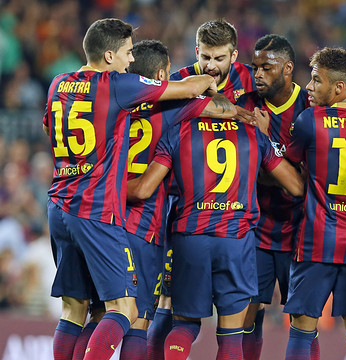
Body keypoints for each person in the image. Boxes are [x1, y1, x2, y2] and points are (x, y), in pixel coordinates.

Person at [44, 18, 216, 360]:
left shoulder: (58, 83)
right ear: (108, 56)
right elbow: (186, 89)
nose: (130, 60)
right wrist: (209, 77)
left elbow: (50, 127)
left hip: (58, 205)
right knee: (126, 310)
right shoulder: (118, 85)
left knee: (75, 309)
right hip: (95, 209)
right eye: (126, 52)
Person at [126, 105, 305, 360]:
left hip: (190, 238)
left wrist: (103, 186)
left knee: (184, 326)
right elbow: (296, 187)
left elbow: (144, 188)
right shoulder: (252, 134)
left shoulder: (178, 131)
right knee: (231, 336)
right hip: (236, 239)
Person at [123, 39, 236, 360]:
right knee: (144, 315)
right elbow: (228, 111)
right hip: (151, 222)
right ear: (161, 74)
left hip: (105, 216)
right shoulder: (173, 107)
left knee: (96, 313)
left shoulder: (115, 99)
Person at [283, 47, 346, 360]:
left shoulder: (309, 121)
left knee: (301, 330)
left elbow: (288, 168)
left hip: (317, 240)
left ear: (339, 88)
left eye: (316, 80)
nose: (309, 87)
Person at [235, 34, 310, 360]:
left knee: (303, 321)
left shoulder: (309, 107)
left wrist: (264, 150)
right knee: (247, 313)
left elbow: (304, 183)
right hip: (257, 230)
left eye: (267, 67)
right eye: (255, 67)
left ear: (288, 68)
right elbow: (245, 170)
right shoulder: (246, 105)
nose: (259, 74)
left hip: (300, 231)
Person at [170, 19, 255, 103]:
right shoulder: (176, 82)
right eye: (205, 58)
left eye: (219, 59)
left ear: (233, 56)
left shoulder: (251, 77)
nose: (210, 66)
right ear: (197, 53)